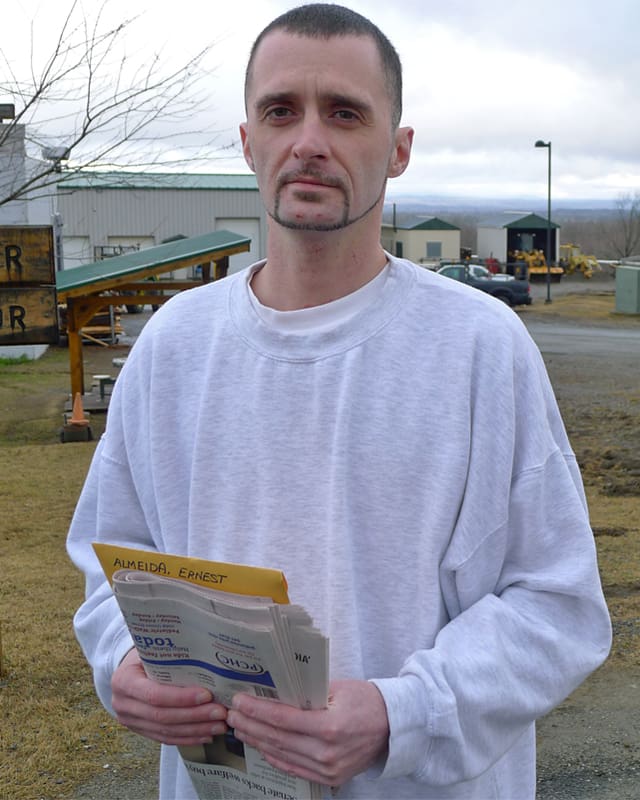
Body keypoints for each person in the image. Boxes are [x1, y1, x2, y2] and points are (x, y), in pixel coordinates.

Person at [67, 5, 612, 799]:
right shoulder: (174, 348)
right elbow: (110, 563)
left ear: (398, 151)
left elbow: (559, 605)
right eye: (281, 111)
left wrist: (401, 714)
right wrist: (121, 660)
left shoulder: (478, 348)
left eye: (345, 113)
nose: (309, 141)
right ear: (248, 141)